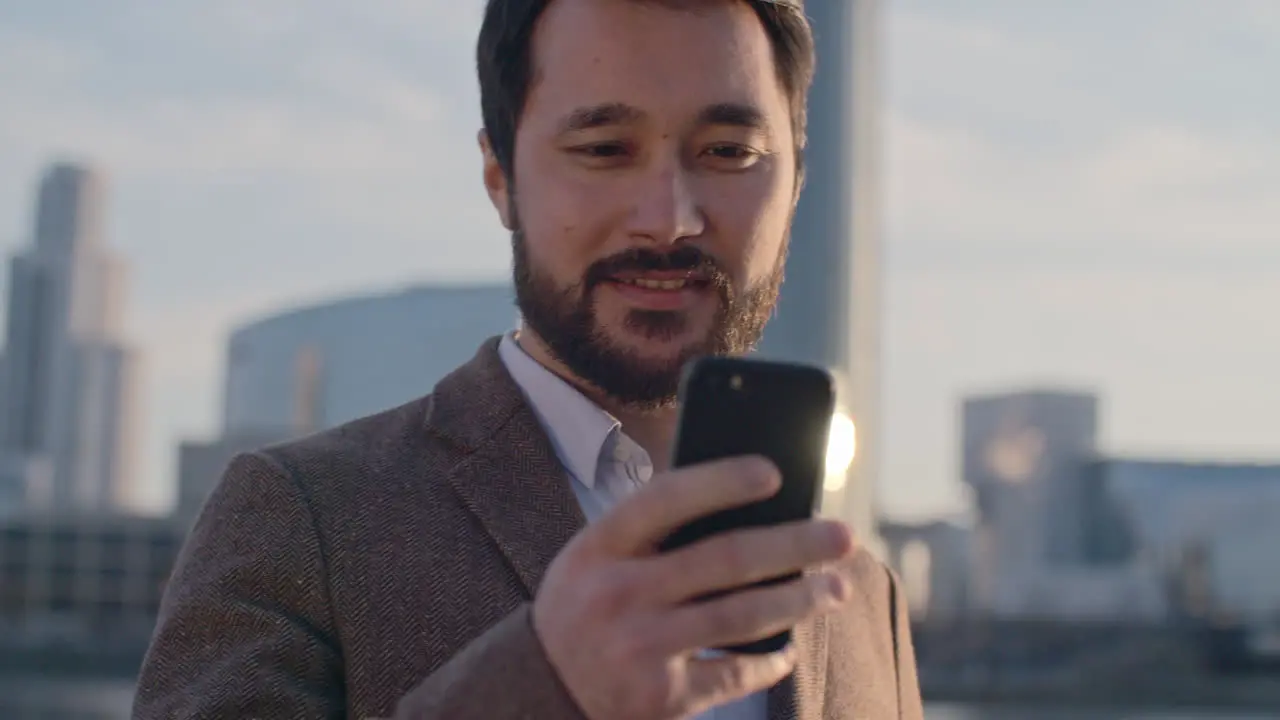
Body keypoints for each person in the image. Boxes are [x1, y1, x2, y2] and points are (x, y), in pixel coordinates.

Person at [133, 0, 923, 718]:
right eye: (606, 148)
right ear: (499, 178)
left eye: (727, 151)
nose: (669, 220)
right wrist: (539, 683)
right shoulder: (299, 518)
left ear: (797, 182)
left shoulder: (862, 597)